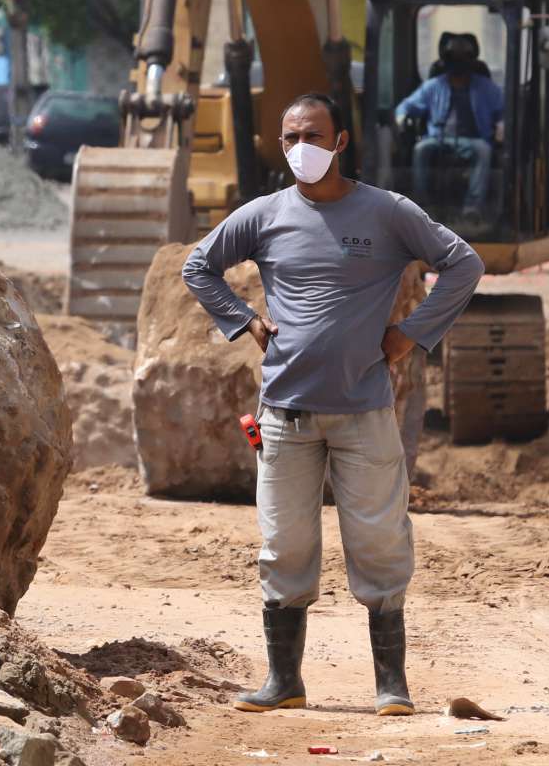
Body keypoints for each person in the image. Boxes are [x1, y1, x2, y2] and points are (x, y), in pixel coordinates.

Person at [181, 93, 484, 717]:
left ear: (340, 141)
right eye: (290, 138)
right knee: (283, 546)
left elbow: (462, 263)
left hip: (364, 412)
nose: (301, 149)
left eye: (313, 136)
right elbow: (198, 266)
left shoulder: (386, 212)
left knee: (378, 543)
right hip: (285, 415)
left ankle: (390, 686)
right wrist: (244, 322)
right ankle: (283, 681)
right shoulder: (264, 215)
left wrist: (412, 333)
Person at [394, 32, 504, 218]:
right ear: (446, 59)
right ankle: (422, 206)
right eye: (454, 56)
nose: (458, 61)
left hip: (473, 140)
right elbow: (406, 106)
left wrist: (502, 125)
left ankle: (472, 208)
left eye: (463, 57)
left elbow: (504, 110)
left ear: (471, 59)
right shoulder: (433, 86)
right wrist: (402, 117)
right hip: (438, 138)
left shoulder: (485, 87)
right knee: (420, 149)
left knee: (485, 150)